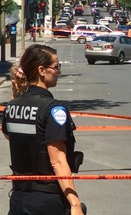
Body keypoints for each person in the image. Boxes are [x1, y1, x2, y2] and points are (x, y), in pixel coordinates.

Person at [2, 44, 84, 215]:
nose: (59, 72)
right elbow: (57, 161)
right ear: (41, 70)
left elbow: (13, 137)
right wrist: (75, 204)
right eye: (56, 67)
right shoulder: (54, 109)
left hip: (19, 198)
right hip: (47, 199)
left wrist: (16, 95)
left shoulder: (11, 107)